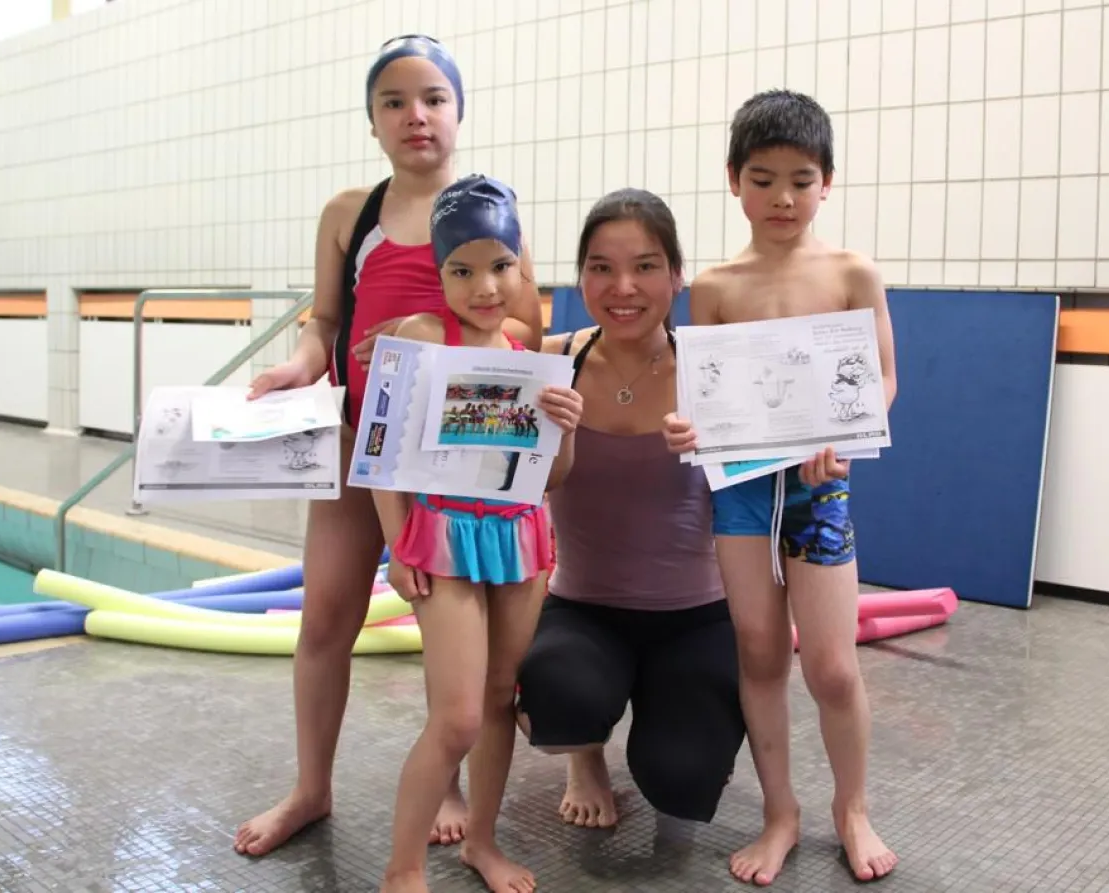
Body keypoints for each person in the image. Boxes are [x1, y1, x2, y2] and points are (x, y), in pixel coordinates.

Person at [233, 36, 543, 858]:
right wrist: (301, 364)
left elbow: (526, 333)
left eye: (434, 98)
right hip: (357, 447)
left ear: (459, 110)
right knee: (326, 614)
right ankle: (311, 786)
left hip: (454, 468)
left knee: (454, 628)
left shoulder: (493, 212)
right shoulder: (351, 213)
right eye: (395, 102)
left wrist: (425, 343)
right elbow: (326, 321)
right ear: (372, 121)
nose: (417, 116)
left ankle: (444, 774)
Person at [662, 89, 899, 886]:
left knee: (832, 665)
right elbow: (707, 399)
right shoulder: (719, 287)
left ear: (827, 181)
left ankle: (852, 805)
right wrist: (686, 429)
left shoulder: (851, 272)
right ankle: (780, 811)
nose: (783, 198)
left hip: (819, 491)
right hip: (740, 495)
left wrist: (846, 443)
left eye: (801, 179)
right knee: (760, 653)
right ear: (733, 180)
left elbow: (883, 380)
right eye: (763, 179)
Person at [514, 188, 748, 832]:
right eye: (601, 267)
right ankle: (584, 758)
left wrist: (727, 446)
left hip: (697, 616)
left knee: (684, 779)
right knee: (559, 701)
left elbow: (780, 475)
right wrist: (398, 347)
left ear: (676, 276)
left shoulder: (715, 371)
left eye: (646, 266)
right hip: (584, 609)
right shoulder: (549, 363)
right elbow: (451, 375)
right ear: (581, 275)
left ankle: (666, 708)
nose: (623, 286)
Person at [375, 174, 583, 893]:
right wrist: (397, 545)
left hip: (521, 535)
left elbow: (553, 476)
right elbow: (378, 450)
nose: (484, 285)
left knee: (499, 699)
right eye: (461, 269)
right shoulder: (421, 336)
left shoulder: (528, 351)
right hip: (444, 538)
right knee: (457, 716)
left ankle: (482, 843)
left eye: (499, 265)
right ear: (439, 272)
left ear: (521, 264)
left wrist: (568, 426)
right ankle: (402, 867)